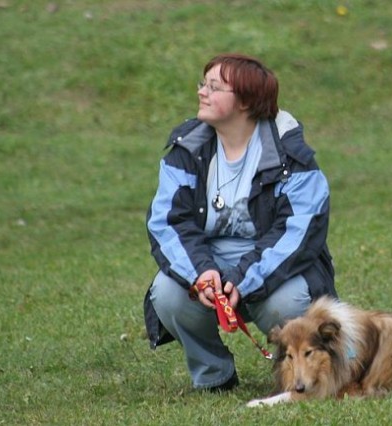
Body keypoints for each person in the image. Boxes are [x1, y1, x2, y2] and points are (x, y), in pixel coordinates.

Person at [143, 53, 337, 392]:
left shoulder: (292, 155)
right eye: (203, 83)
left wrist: (242, 279)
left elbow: (299, 232)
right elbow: (168, 222)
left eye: (214, 87)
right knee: (167, 293)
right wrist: (200, 273)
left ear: (246, 101)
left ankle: (298, 374)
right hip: (209, 262)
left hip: (273, 265)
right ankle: (214, 375)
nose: (202, 92)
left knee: (290, 304)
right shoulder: (186, 148)